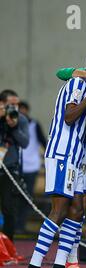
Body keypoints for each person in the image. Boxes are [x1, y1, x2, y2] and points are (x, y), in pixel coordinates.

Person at [23, 51, 86, 268]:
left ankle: (60, 266)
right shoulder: (78, 83)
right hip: (62, 153)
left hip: (77, 157)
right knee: (58, 210)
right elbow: (70, 116)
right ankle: (33, 266)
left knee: (77, 211)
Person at [0, 90, 29, 242]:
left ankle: (8, 246)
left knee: (8, 209)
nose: (14, 107)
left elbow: (25, 143)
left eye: (16, 104)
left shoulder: (21, 119)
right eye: (11, 104)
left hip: (9, 169)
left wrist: (13, 127)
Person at [16, 101, 47, 234]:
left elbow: (43, 142)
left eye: (23, 110)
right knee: (15, 197)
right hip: (16, 166)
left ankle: (21, 225)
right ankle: (14, 225)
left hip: (32, 166)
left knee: (27, 197)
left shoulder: (34, 124)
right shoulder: (13, 125)